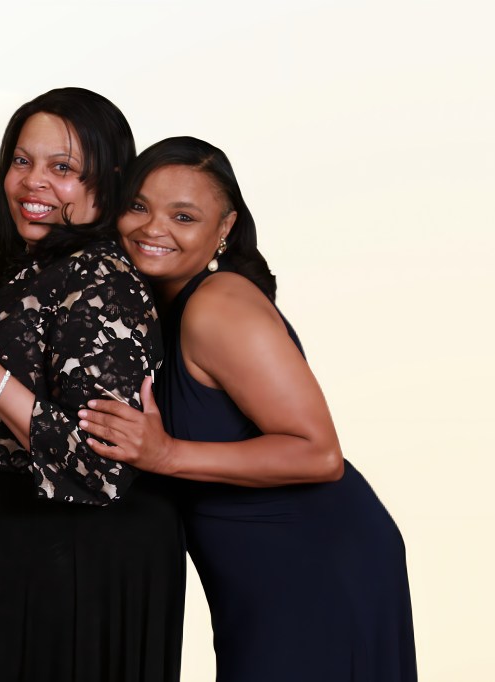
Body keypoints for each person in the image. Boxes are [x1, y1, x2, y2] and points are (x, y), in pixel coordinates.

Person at [78, 136, 417, 681]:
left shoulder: (217, 305)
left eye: (183, 216)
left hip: (313, 562)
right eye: (138, 206)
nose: (152, 228)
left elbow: (319, 454)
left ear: (225, 227)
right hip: (258, 579)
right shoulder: (155, 306)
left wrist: (166, 454)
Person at [0, 87, 185, 682]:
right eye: (22, 161)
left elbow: (98, 466)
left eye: (62, 168)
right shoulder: (34, 266)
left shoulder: (101, 280)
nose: (32, 182)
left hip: (63, 575)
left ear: (108, 184)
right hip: (11, 553)